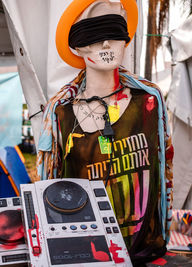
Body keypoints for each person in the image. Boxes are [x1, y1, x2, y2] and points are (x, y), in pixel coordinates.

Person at [37, 0, 173, 265]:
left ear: (125, 39)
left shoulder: (150, 102)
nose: (108, 44)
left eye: (114, 33)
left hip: (144, 253)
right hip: (84, 255)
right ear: (78, 45)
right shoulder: (59, 114)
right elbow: (50, 185)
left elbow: (165, 170)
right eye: (96, 36)